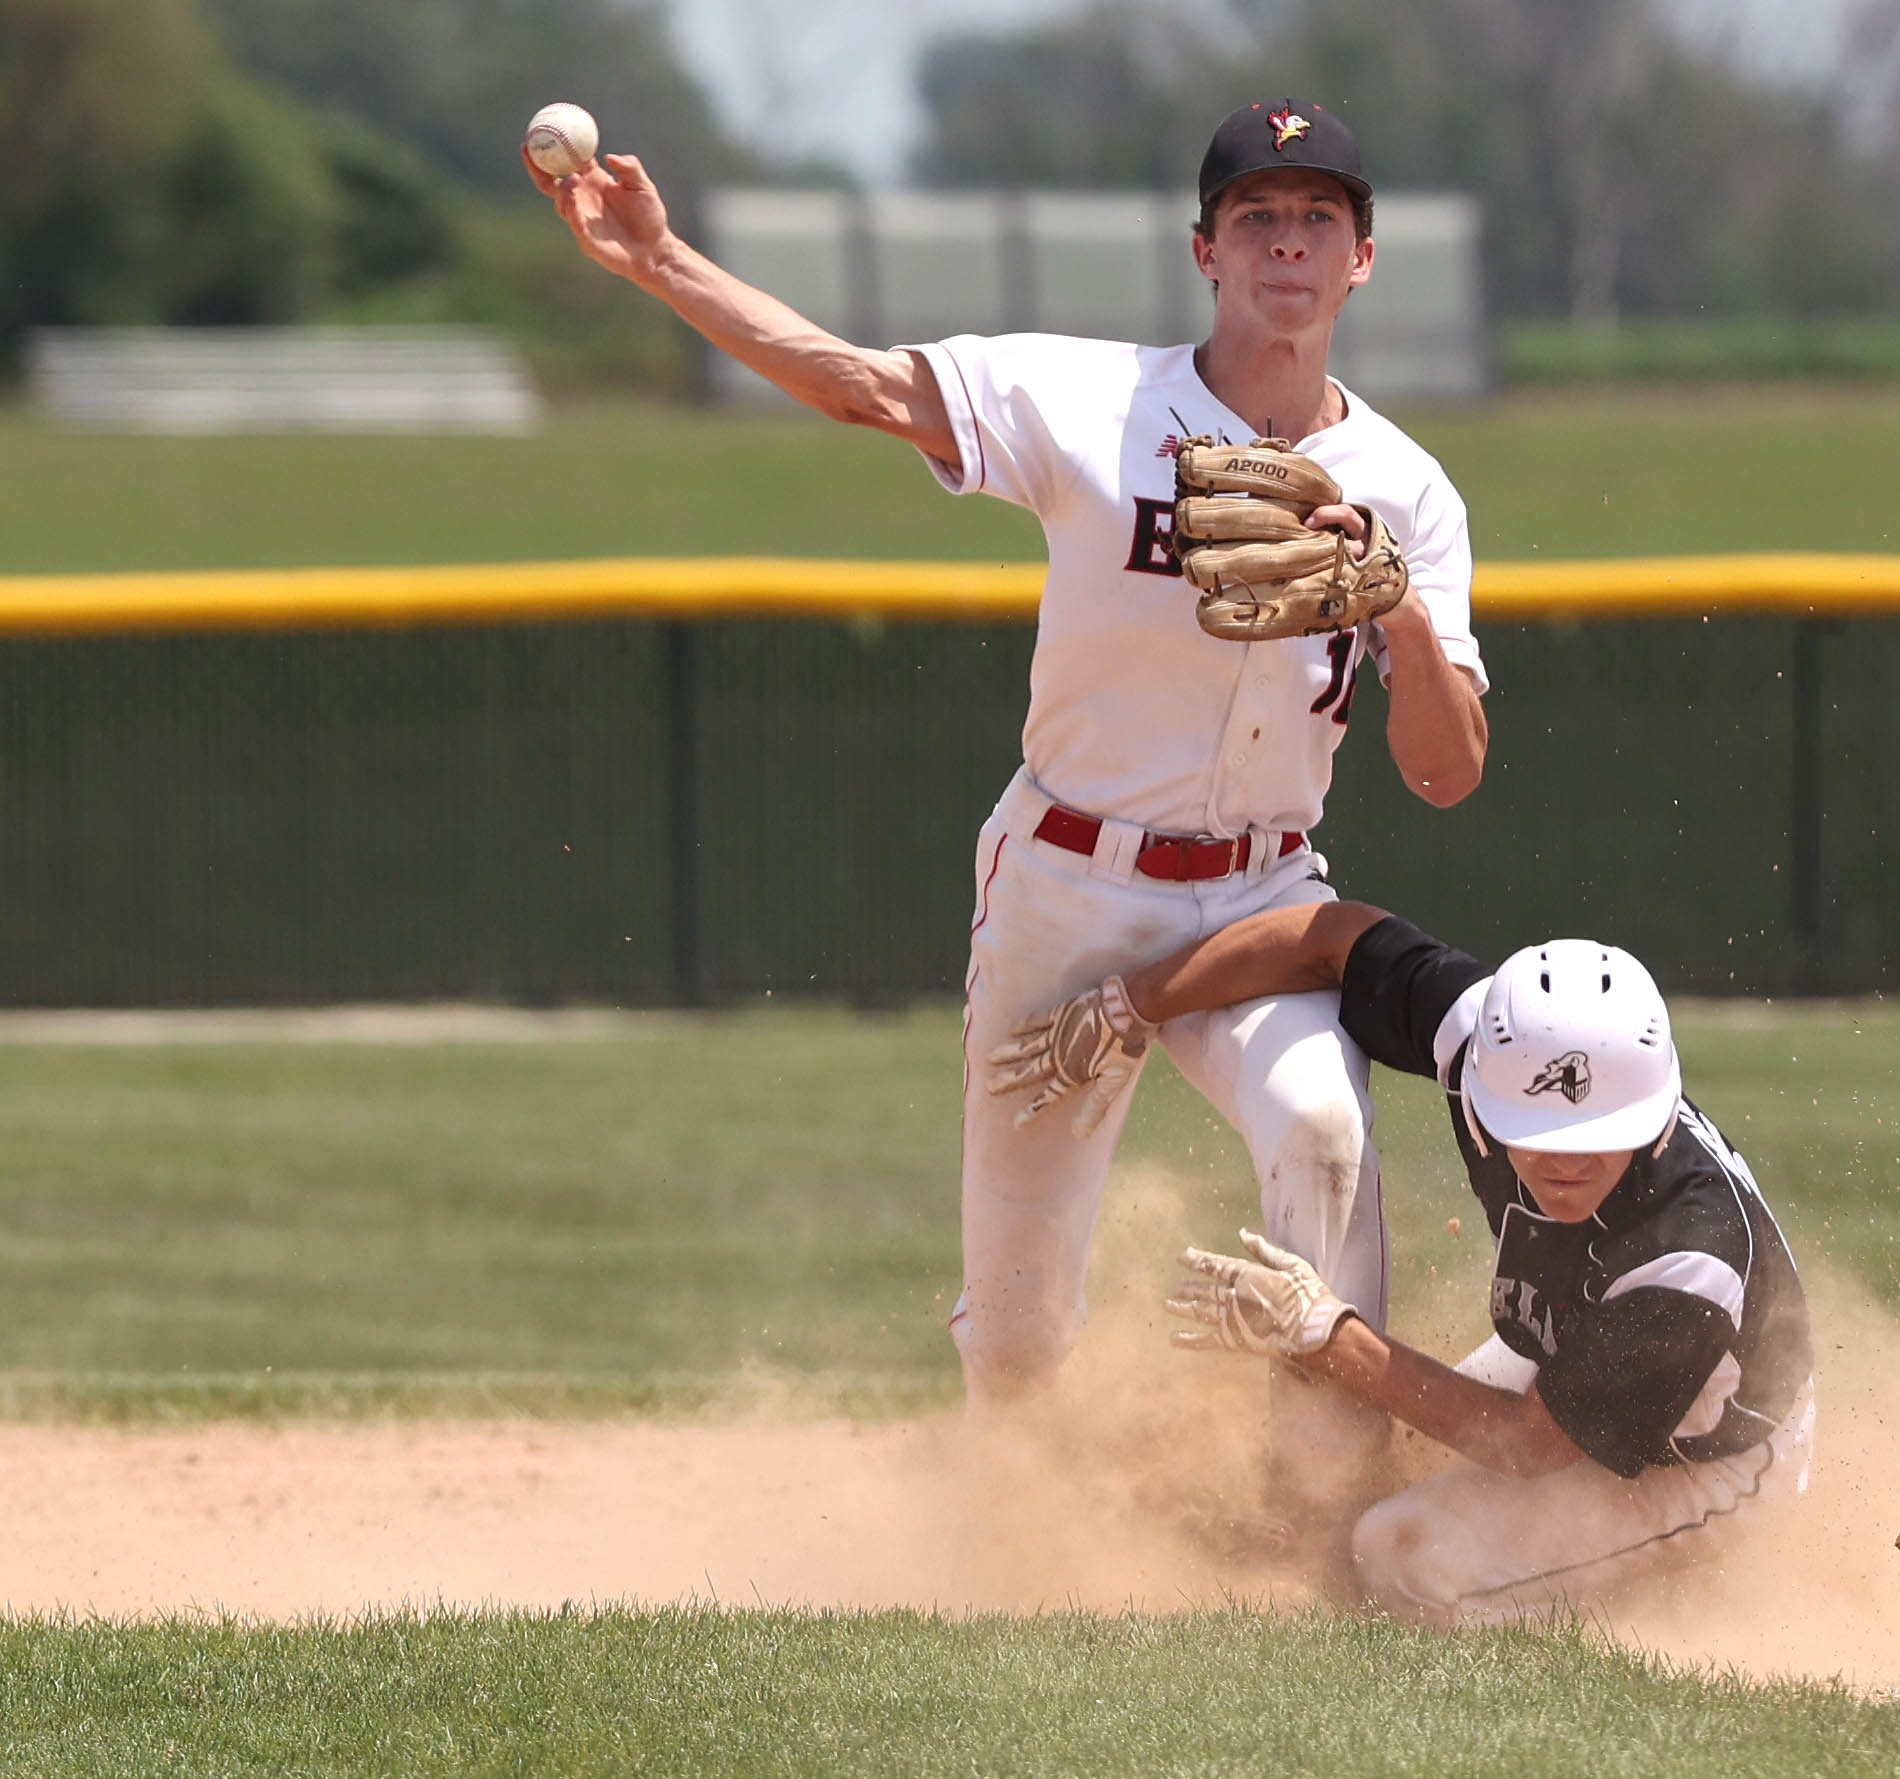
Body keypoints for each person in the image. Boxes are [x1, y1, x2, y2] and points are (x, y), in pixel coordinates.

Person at [526, 102, 1489, 1512]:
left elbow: (1447, 769)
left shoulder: (1410, 490)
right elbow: (860, 384)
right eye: (1259, 217)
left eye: (1320, 218)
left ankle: (1325, 1495)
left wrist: (1399, 610)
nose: (1290, 239)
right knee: (1025, 1332)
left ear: (1362, 260)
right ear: (1205, 250)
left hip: (1268, 898)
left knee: (1324, 1131)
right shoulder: (1092, 401)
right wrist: (661, 264)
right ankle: (1019, 1531)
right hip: (1066, 887)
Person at [991, 901, 1816, 1625]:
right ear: (1489, 1089)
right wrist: (1134, 1000)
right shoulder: (1485, 1045)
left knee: (1398, 1553)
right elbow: (1337, 938)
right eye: (1541, 1131)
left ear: (1654, 1114)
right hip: (1574, 1357)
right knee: (1374, 1474)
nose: (1567, 1163)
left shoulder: (1687, 1261)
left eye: (1599, 1136)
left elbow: (1526, 1445)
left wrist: (1324, 1331)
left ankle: (1669, 1588)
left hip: (1707, 1457)